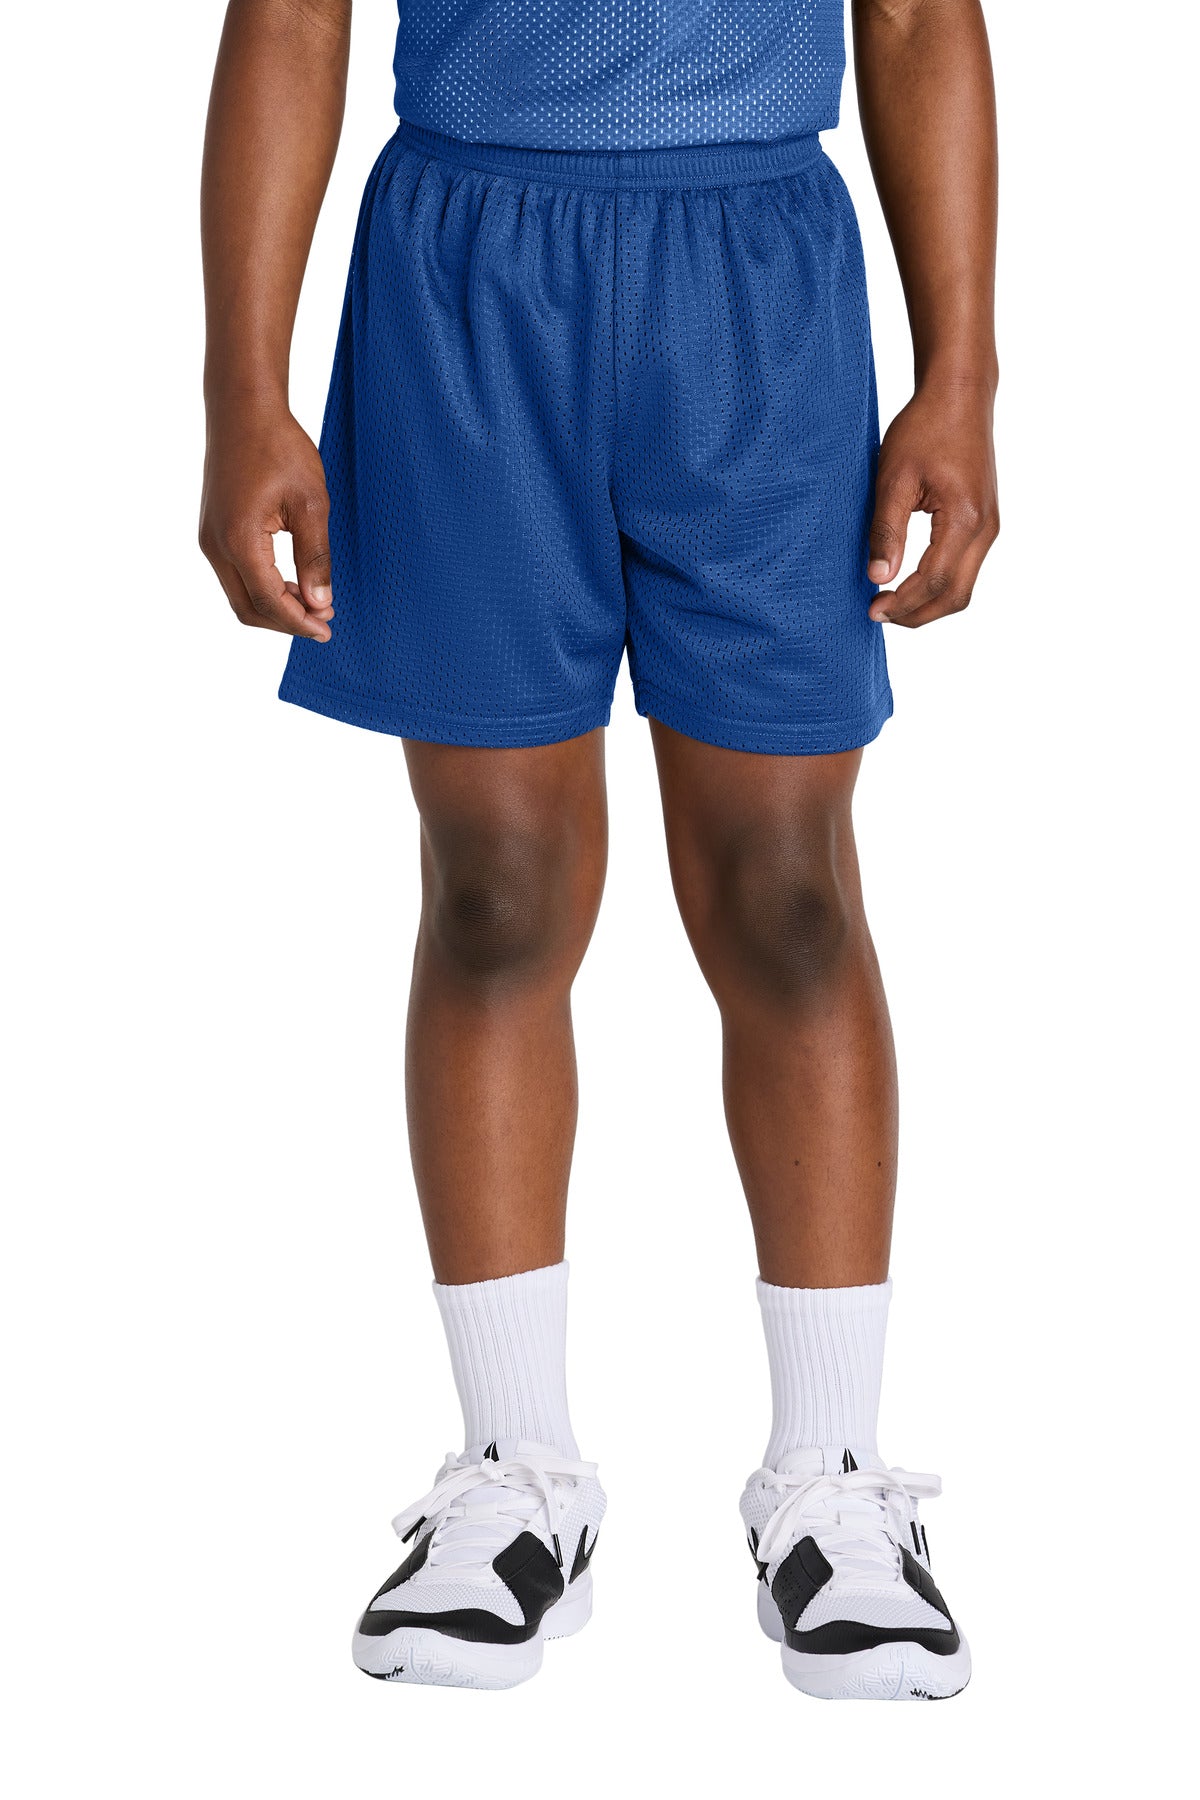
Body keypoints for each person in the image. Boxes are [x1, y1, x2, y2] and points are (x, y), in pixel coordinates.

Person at [199, 0, 998, 1701]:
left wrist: (964, 374)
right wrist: (241, 391)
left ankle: (832, 1486)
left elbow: (921, 14)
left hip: (755, 280)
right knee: (495, 893)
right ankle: (515, 1480)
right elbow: (292, 12)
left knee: (786, 896)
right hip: (468, 275)